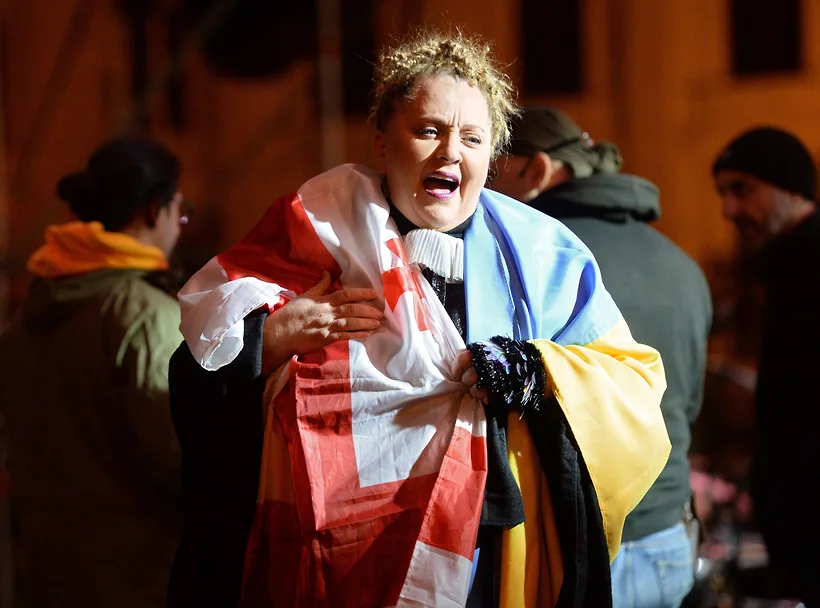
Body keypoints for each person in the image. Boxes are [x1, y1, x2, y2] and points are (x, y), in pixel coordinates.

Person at [168, 30, 671, 608]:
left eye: (473, 138)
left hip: (486, 561)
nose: (451, 152)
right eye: (428, 130)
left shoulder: (543, 254)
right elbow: (195, 371)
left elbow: (633, 380)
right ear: (381, 145)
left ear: (491, 157)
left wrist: (536, 370)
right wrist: (271, 337)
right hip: (336, 566)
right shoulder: (312, 232)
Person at [490, 106, 712, 608]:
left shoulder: (536, 262)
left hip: (576, 547)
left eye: (493, 169)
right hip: (668, 539)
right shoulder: (682, 264)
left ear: (538, 170)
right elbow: (689, 404)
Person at [0, 138, 188, 607]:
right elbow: (180, 457)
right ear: (152, 211)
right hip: (140, 582)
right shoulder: (145, 315)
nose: (180, 228)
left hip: (45, 581)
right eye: (180, 215)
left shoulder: (24, 321)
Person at [712, 126, 820, 607]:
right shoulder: (784, 268)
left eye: (743, 189)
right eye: (723, 192)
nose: (728, 209)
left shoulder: (806, 265)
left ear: (792, 187)